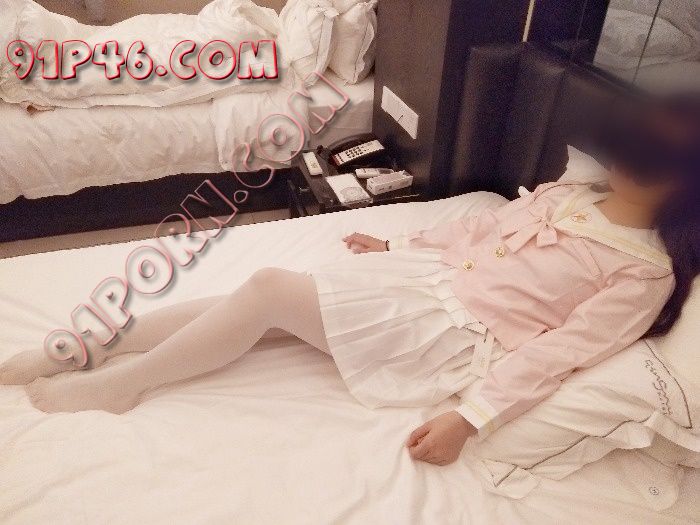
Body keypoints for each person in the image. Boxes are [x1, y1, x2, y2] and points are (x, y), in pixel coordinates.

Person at [2, 95, 698, 466]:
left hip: (450, 334)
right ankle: (92, 349)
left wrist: (470, 419)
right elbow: (479, 230)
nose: (629, 162)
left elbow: (561, 353)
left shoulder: (644, 272)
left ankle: (122, 381)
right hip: (425, 281)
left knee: (268, 291)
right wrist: (397, 242)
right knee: (259, 306)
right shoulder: (576, 192)